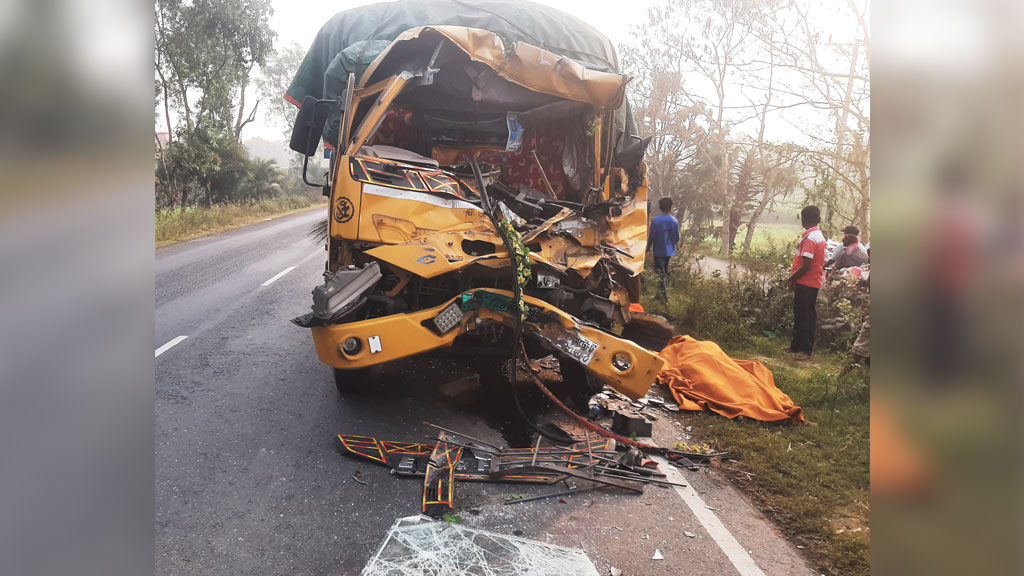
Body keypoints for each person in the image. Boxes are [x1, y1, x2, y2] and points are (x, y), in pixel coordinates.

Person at [788, 206, 827, 359]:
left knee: (804, 316)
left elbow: (806, 266)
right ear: (818, 220)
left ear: (804, 219)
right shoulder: (818, 235)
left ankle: (804, 350)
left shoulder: (810, 238)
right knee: (804, 315)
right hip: (812, 281)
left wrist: (792, 278)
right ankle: (796, 346)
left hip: (806, 282)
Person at [647, 196, 680, 300]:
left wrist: (648, 248)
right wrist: (671, 244)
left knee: (660, 274)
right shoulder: (674, 221)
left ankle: (665, 297)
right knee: (663, 273)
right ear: (671, 207)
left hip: (659, 251)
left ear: (660, 207)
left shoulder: (656, 221)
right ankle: (658, 295)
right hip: (669, 252)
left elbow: (651, 236)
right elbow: (676, 237)